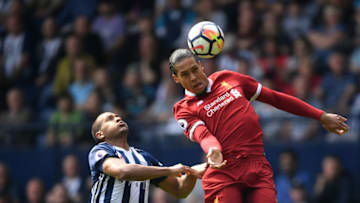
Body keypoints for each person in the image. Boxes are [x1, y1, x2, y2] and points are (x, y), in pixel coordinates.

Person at [169, 49, 349, 203]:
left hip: (257, 167)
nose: (193, 77)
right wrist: (213, 150)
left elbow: (275, 98)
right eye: (184, 74)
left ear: (201, 66)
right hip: (223, 172)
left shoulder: (229, 78)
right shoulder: (183, 109)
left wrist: (321, 115)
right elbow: (204, 135)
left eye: (194, 69)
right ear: (176, 78)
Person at [88, 112, 206, 202]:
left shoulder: (143, 157)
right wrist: (169, 170)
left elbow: (179, 189)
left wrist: (193, 172)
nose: (118, 118)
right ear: (100, 134)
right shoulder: (101, 150)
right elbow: (122, 171)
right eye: (110, 119)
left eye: (118, 117)